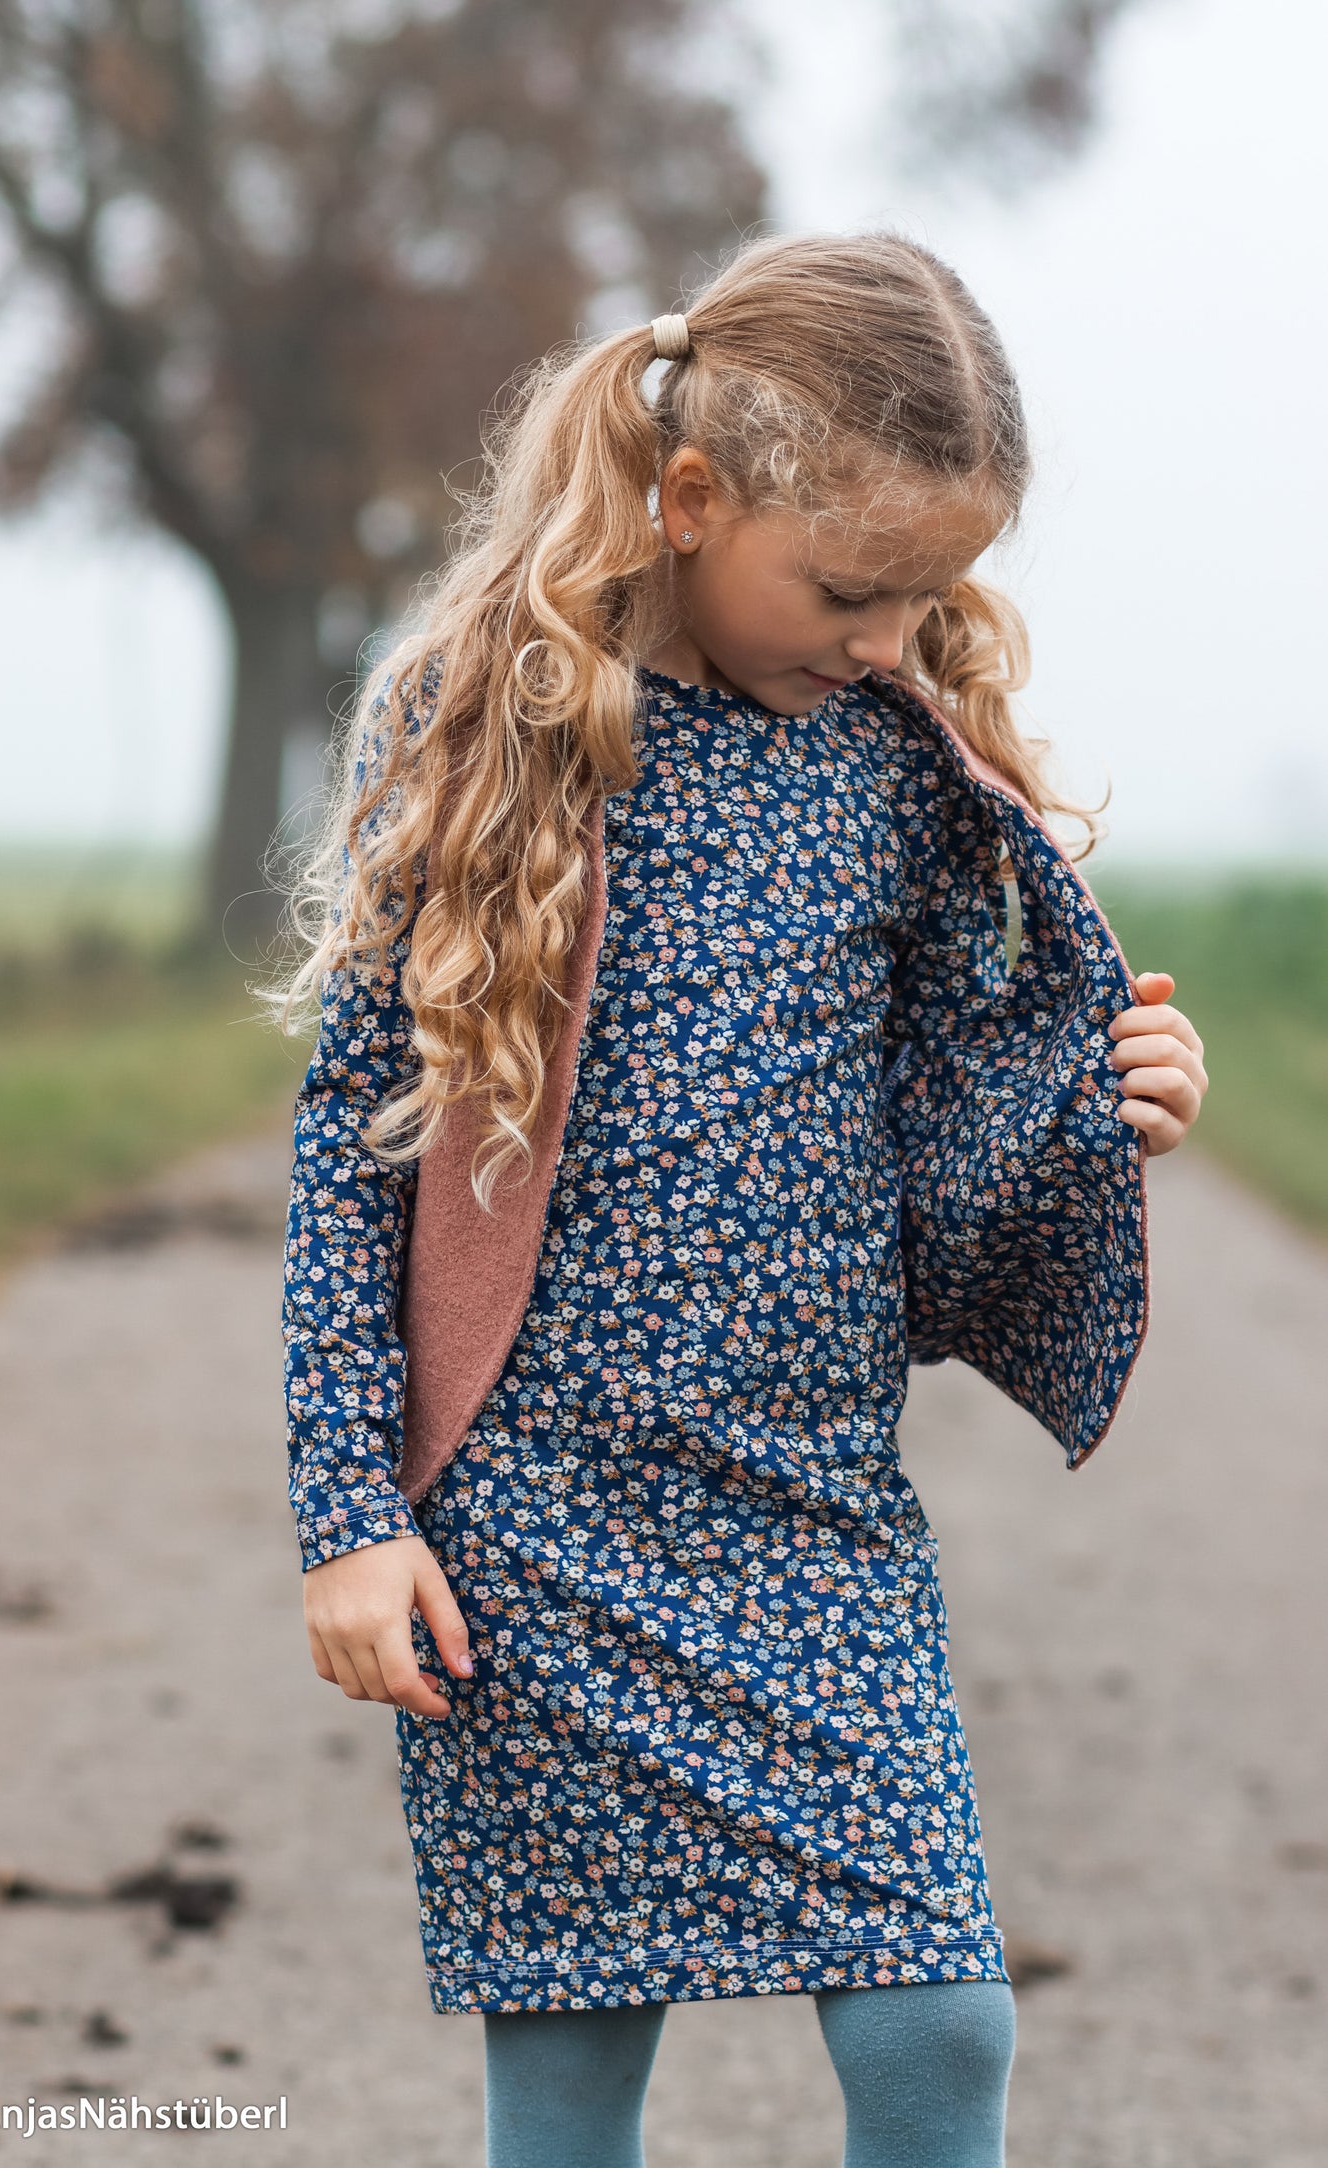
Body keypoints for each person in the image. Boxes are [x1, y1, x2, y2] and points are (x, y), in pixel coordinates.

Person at [278, 233, 1207, 2168]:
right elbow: (350, 1137)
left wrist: (1102, 1107)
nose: (885, 637)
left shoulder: (890, 765)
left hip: (813, 1513)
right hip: (527, 1523)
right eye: (851, 587)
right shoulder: (484, 721)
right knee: (568, 2043)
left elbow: (947, 1190)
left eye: (925, 597)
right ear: (691, 501)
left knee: (938, 2018)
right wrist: (350, 1517)